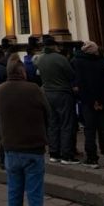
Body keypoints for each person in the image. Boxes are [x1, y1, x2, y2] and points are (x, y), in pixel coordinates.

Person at [0, 58, 48, 206]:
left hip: (11, 146)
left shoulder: (1, 89)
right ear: (22, 72)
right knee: (35, 193)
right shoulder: (33, 88)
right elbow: (47, 112)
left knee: (14, 190)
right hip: (33, 146)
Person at [72, 41, 104, 169]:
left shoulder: (78, 63)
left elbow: (80, 83)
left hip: (88, 102)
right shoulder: (101, 62)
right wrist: (101, 100)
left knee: (90, 130)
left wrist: (91, 100)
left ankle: (92, 158)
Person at [35, 36, 77, 165]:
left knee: (53, 124)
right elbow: (71, 75)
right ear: (54, 46)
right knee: (66, 123)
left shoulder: (40, 60)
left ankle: (54, 152)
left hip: (47, 94)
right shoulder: (60, 58)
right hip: (62, 93)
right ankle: (66, 154)